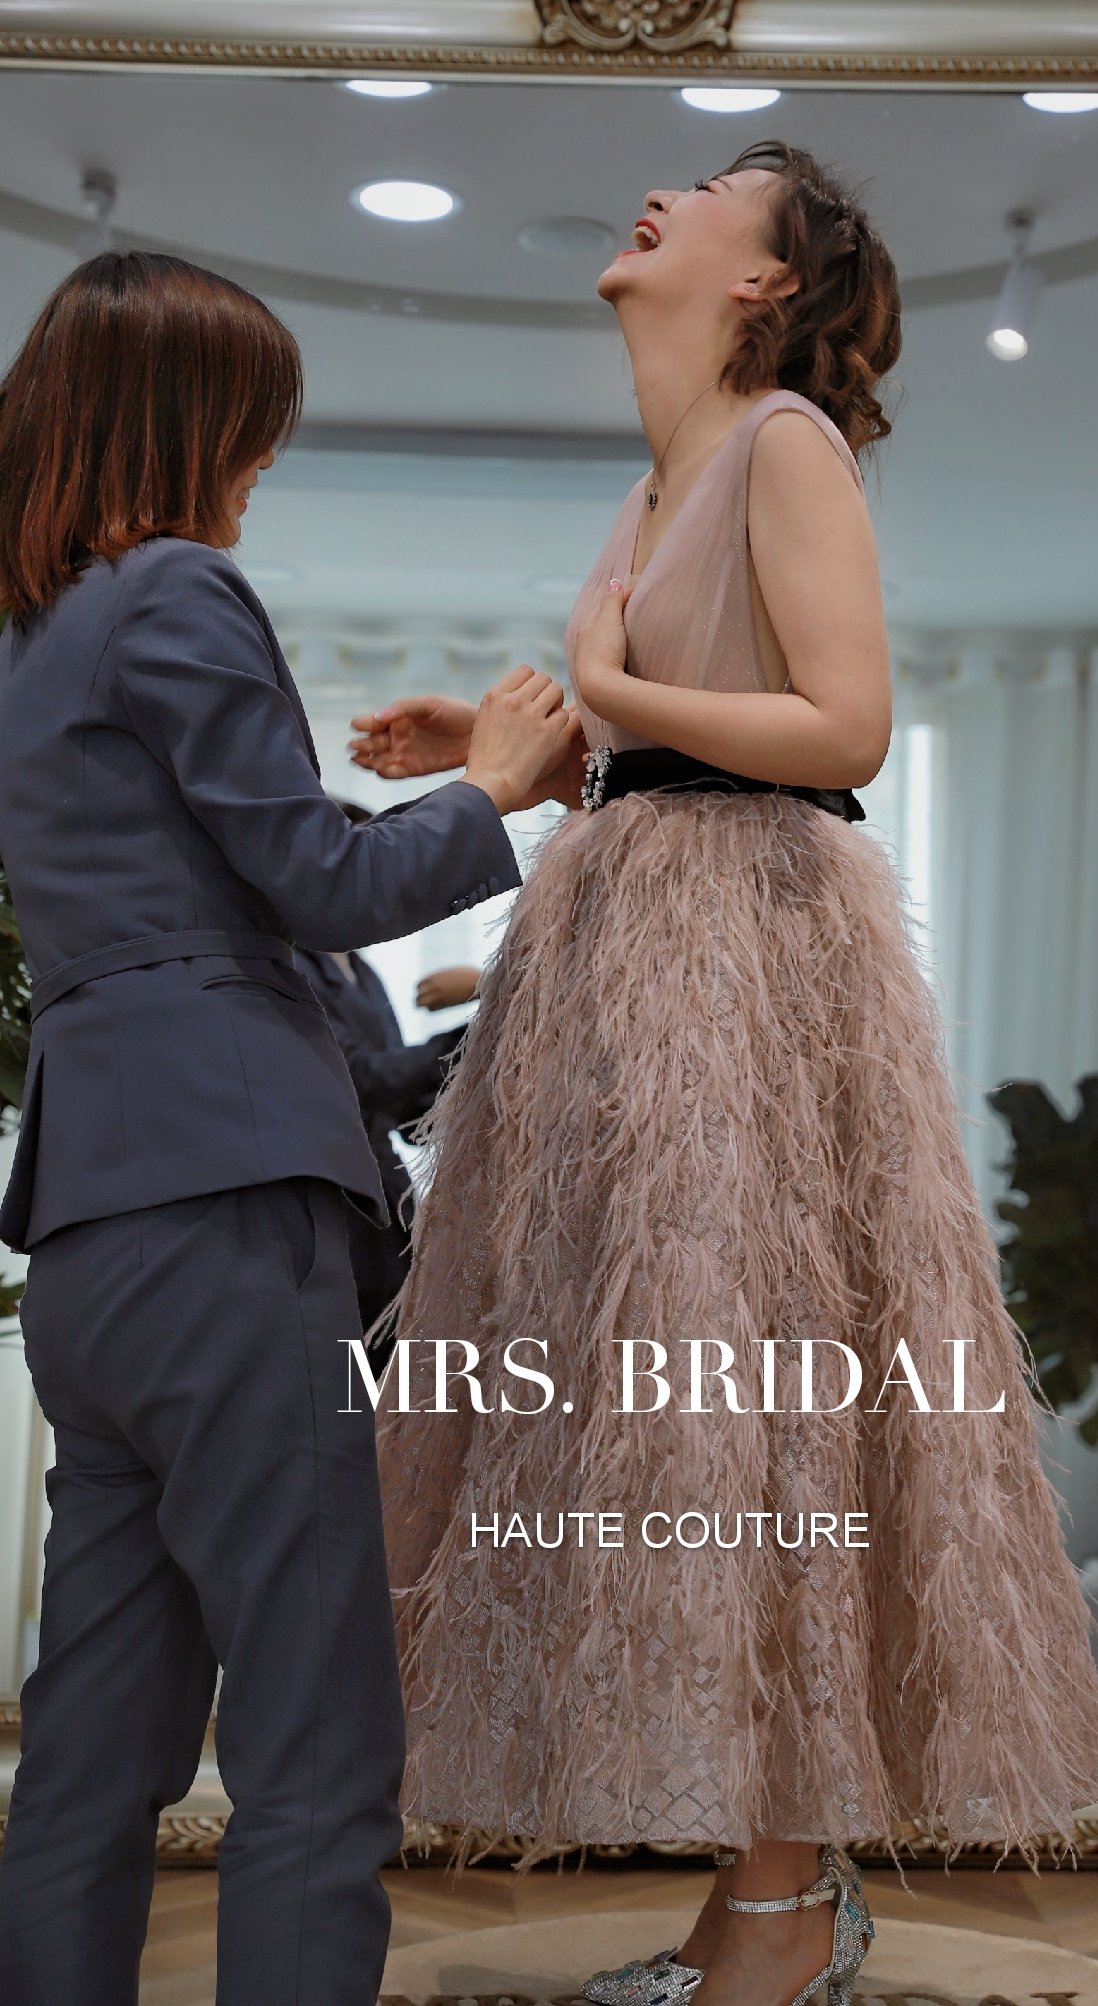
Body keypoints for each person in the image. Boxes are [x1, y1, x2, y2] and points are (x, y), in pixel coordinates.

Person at [353, 143, 1098, 2006]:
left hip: (745, 965)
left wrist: (605, 696)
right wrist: (527, 747)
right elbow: (688, 736)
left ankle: (781, 1907)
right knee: (681, 1413)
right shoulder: (660, 476)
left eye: (713, 190)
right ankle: (758, 1896)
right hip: (641, 945)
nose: (660, 197)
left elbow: (841, 726)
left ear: (767, 280)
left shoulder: (782, 442)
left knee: (757, 1402)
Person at [0, 250, 581, 2006]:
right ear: (184, 421)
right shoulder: (176, 584)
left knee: (90, 1753)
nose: (259, 464)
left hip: (91, 1236)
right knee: (317, 1745)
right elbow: (317, 888)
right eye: (252, 425)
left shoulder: (31, 640)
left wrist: (412, 805)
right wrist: (493, 786)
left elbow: (221, 887)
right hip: (228, 1218)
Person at [295, 800, 487, 1364]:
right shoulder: (293, 967)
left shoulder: (364, 971)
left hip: (386, 1211)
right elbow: (361, 1080)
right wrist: (482, 1028)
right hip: (336, 1220)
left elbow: (404, 1111)